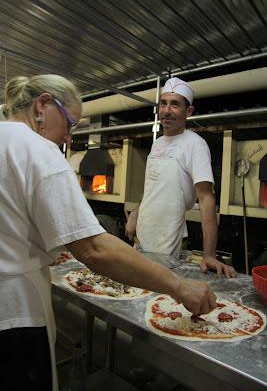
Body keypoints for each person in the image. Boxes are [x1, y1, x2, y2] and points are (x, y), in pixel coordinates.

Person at [0, 74, 217, 391]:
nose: (68, 138)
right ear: (42, 105)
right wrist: (179, 286)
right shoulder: (38, 148)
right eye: (70, 123)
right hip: (13, 313)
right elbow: (93, 250)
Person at [125, 77, 236, 279]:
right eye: (163, 103)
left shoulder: (195, 144)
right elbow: (155, 188)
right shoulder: (157, 143)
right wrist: (135, 213)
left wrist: (209, 255)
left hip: (166, 243)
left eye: (175, 104)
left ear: (189, 112)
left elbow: (206, 198)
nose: (166, 110)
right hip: (141, 238)